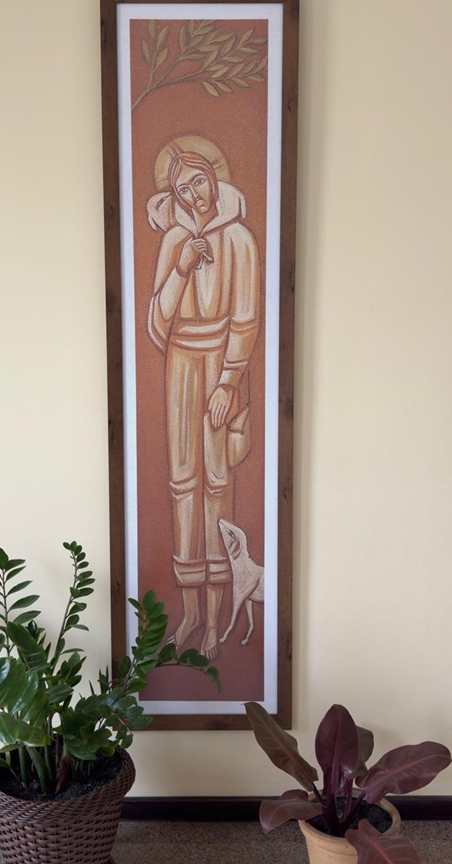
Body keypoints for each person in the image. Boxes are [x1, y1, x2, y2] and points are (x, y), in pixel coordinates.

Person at [147, 141, 260, 660]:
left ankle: (215, 619)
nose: (193, 194)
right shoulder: (175, 240)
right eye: (181, 188)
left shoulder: (239, 239)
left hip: (219, 362)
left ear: (213, 176)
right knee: (182, 483)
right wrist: (182, 267)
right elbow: (157, 323)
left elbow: (246, 319)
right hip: (180, 366)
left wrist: (228, 382)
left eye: (198, 180)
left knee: (216, 481)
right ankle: (190, 613)